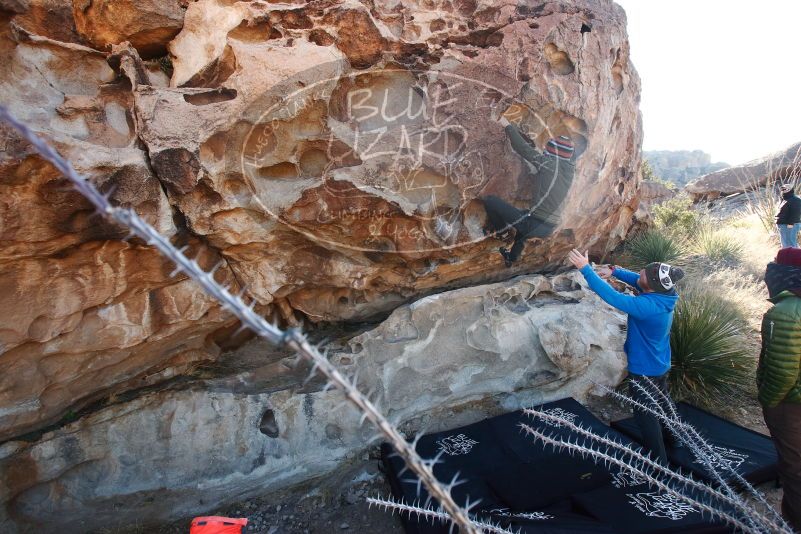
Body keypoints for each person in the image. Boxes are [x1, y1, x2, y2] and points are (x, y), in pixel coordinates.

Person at [567, 249, 685, 463]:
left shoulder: (647, 307)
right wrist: (614, 271)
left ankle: (659, 463)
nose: (639, 275)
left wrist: (586, 269)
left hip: (644, 371)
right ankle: (676, 439)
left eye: (643, 275)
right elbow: (639, 281)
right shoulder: (664, 295)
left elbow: (612, 297)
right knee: (663, 402)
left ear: (650, 285)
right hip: (660, 364)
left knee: (645, 415)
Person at [482, 116, 577, 267]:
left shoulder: (548, 165)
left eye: (549, 149)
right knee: (523, 226)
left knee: (490, 201)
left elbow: (523, 149)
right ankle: (511, 258)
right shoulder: (570, 171)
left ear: (553, 154)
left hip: (534, 223)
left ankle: (503, 233)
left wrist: (507, 125)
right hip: (549, 227)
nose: (545, 151)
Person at [759, 247, 801, 530]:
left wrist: (769, 401)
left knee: (794, 465)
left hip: (791, 403)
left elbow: (781, 370)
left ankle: (795, 521)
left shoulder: (784, 313)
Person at [775, 183, 801, 248]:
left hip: (790, 225)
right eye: (782, 189)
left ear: (790, 189)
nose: (783, 190)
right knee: (786, 244)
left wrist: (791, 224)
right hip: (784, 225)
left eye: (785, 189)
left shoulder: (795, 199)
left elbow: (796, 213)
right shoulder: (785, 199)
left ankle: (795, 258)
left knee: (791, 244)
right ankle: (789, 257)